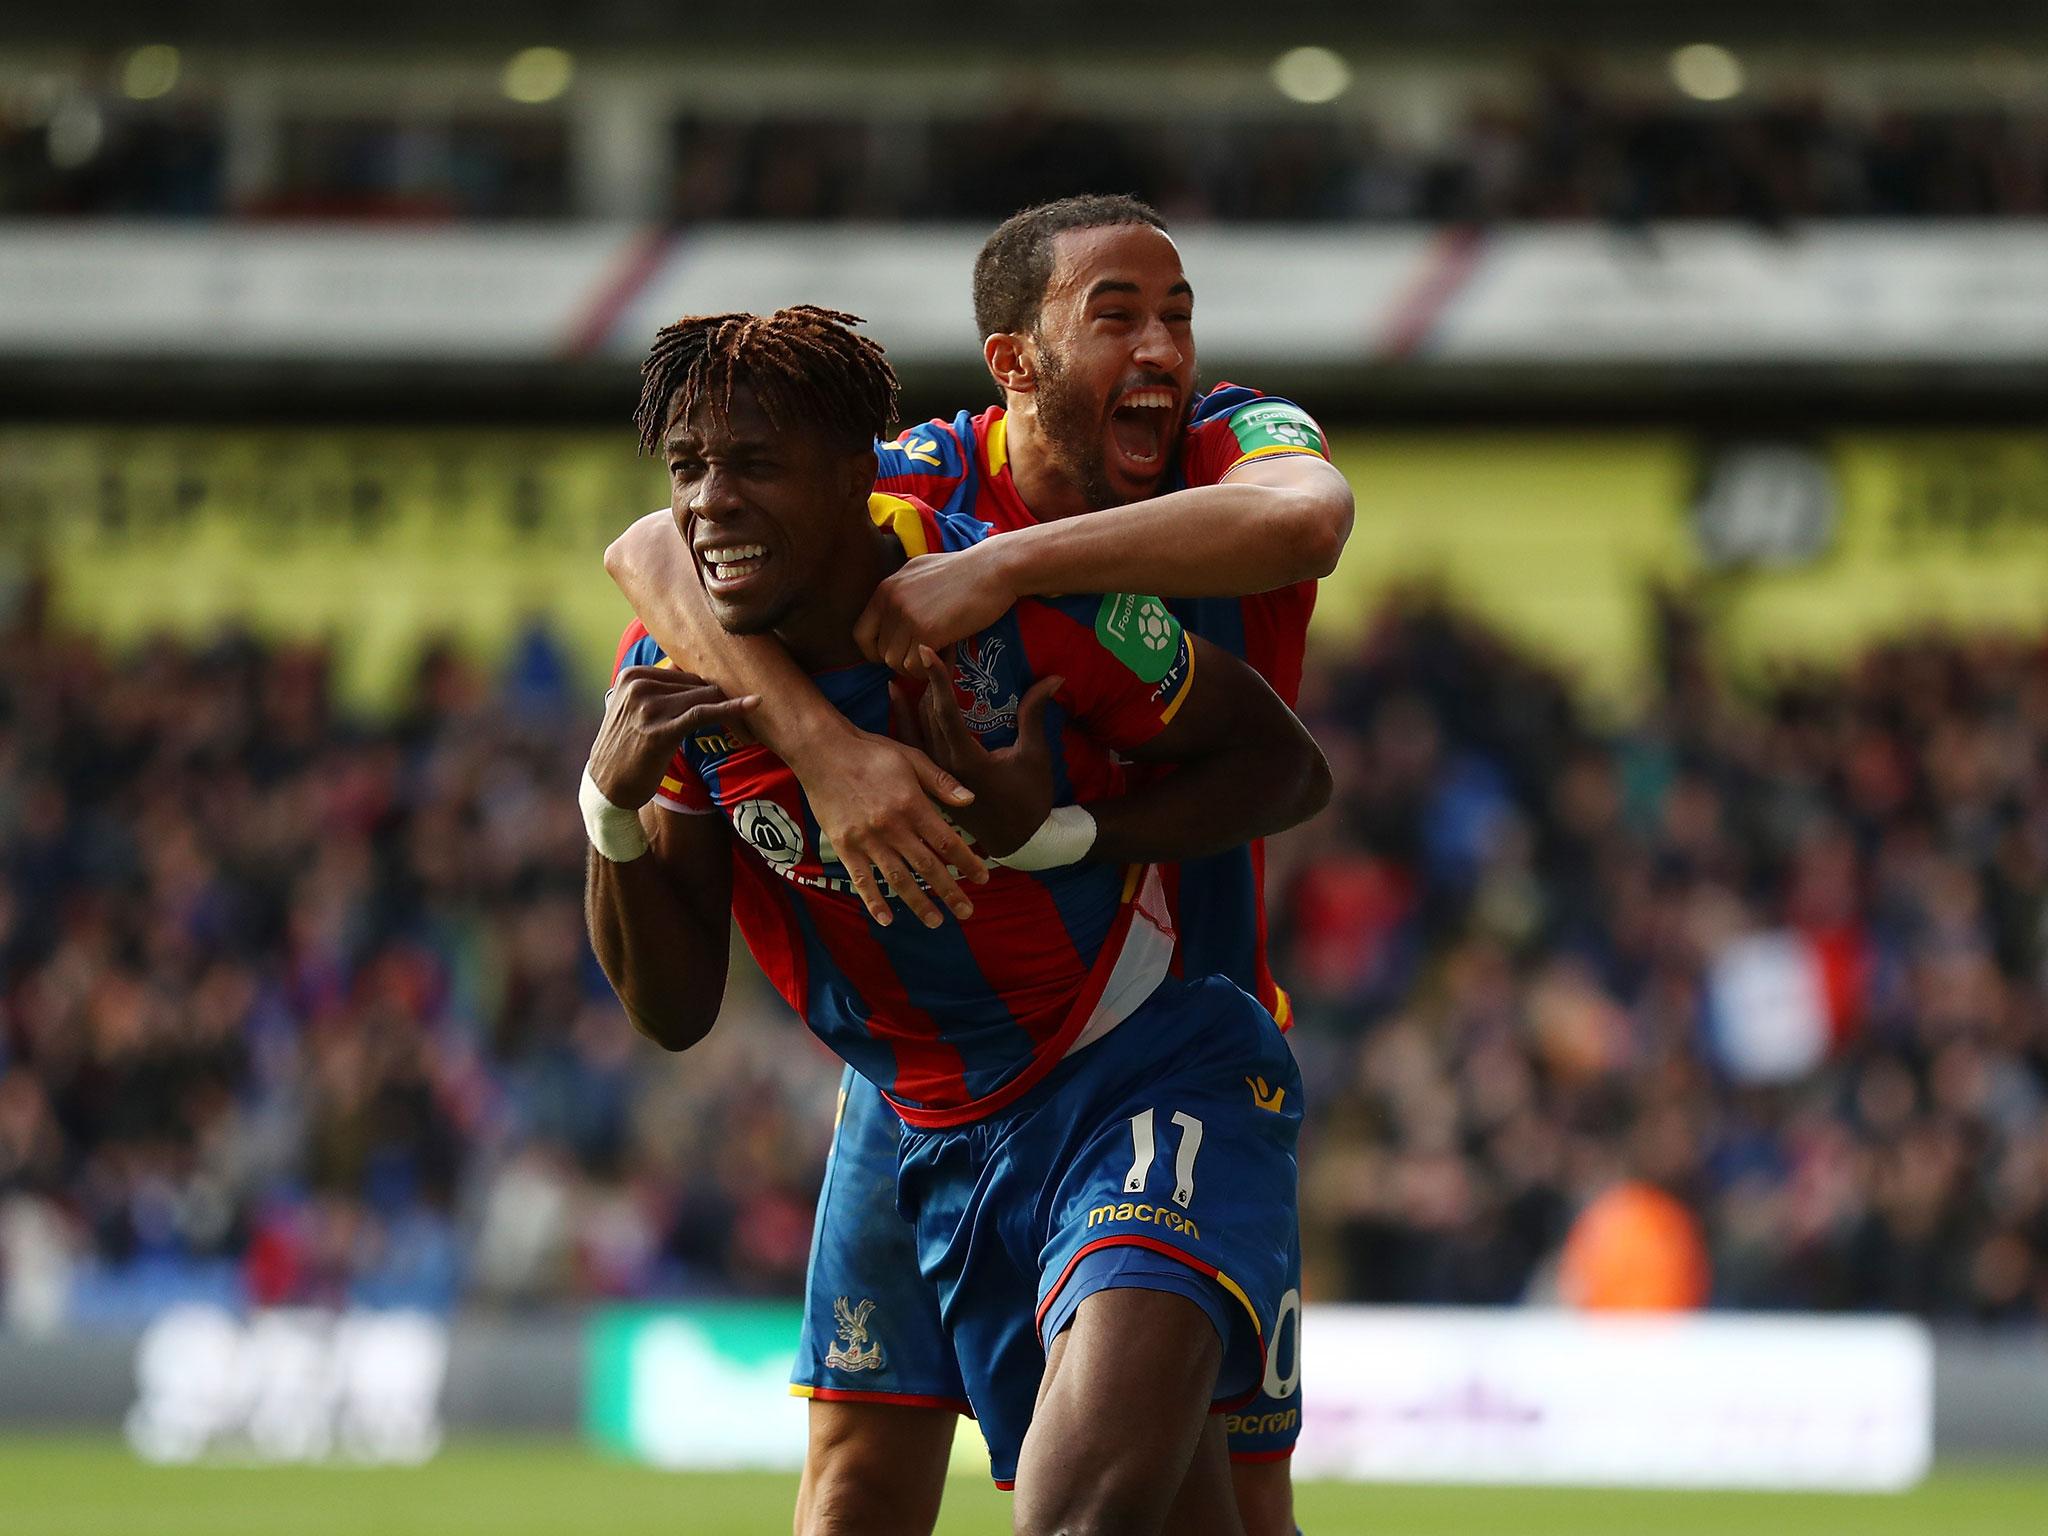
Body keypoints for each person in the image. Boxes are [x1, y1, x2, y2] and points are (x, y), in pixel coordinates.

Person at [605, 196, 1351, 1536]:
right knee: (861, 1488)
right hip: (918, 1067)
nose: (1162, 346)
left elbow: (1306, 527)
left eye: (1175, 313)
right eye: (1115, 315)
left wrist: (1006, 576)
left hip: (1164, 1017)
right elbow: (656, 548)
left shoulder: (1226, 440)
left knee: (1220, 1492)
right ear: (1017, 360)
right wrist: (828, 753)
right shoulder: (903, 483)